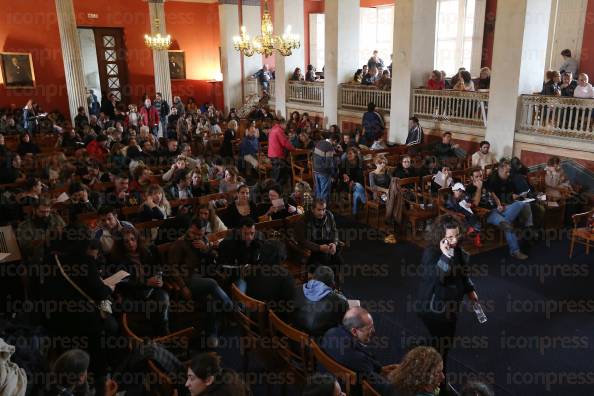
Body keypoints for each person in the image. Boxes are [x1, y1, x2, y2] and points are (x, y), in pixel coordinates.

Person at [416, 215, 478, 375]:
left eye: (457, 235)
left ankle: (435, 372)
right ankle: (436, 378)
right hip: (433, 308)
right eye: (450, 237)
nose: (454, 240)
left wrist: (470, 290)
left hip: (450, 305)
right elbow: (440, 276)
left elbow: (462, 272)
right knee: (442, 345)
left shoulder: (456, 248)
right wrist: (445, 255)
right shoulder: (431, 253)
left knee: (445, 343)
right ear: (440, 236)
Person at [169, 218, 233, 346]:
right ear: (189, 229)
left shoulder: (203, 240)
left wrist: (206, 249)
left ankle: (211, 335)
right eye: (194, 233)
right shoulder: (180, 243)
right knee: (212, 283)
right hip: (188, 279)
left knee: (211, 301)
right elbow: (172, 268)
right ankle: (232, 308)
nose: (196, 237)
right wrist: (183, 287)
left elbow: (214, 257)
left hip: (202, 277)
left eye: (200, 234)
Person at [110, 226, 170, 335]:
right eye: (126, 242)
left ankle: (164, 335)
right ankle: (151, 338)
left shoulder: (148, 251)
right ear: (122, 244)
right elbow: (124, 282)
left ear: (137, 239)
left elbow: (159, 268)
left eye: (133, 239)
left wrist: (160, 278)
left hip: (152, 289)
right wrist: (145, 282)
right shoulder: (118, 259)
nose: (131, 243)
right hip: (133, 293)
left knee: (163, 299)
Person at [321, 308, 393, 394]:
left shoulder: (329, 333)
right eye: (369, 328)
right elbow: (382, 387)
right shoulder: (359, 360)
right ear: (354, 331)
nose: (373, 331)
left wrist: (380, 368)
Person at [465, 167, 529, 259]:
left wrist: (499, 205)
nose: (479, 178)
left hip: (498, 209)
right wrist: (479, 188)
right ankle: (515, 251)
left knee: (520, 203)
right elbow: (475, 203)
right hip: (488, 213)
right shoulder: (469, 188)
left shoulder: (486, 183)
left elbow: (494, 196)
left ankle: (506, 222)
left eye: (480, 176)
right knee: (507, 225)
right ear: (471, 178)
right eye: (476, 176)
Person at [293, 266, 348, 338]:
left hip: (295, 334)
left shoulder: (297, 289)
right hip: (318, 341)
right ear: (332, 283)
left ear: (313, 277)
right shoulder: (340, 301)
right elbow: (342, 321)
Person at [298, 199, 343, 280]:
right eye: (319, 210)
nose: (322, 212)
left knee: (339, 261)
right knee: (322, 263)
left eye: (324, 209)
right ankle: (316, 287)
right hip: (312, 249)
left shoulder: (329, 215)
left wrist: (334, 243)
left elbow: (334, 231)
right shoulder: (304, 219)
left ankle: (333, 286)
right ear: (312, 209)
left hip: (327, 245)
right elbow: (302, 240)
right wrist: (319, 248)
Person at [267, 119, 296, 187]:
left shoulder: (273, 129)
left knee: (277, 173)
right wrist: (293, 149)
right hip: (277, 155)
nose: (286, 127)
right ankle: (275, 190)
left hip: (272, 154)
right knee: (278, 175)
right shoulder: (279, 130)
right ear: (283, 124)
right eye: (286, 125)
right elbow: (285, 143)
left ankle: (276, 189)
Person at [339, 147, 366, 215]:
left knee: (356, 192)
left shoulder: (359, 163)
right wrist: (344, 175)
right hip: (346, 183)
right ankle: (364, 200)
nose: (348, 155)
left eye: (351, 153)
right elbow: (340, 174)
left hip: (357, 183)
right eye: (348, 154)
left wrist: (353, 181)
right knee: (357, 189)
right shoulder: (344, 162)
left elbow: (360, 176)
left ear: (355, 155)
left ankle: (354, 211)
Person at [313, 132, 338, 203]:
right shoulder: (329, 147)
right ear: (335, 141)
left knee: (318, 191)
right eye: (336, 143)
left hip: (315, 170)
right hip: (324, 172)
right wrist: (333, 175)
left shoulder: (320, 142)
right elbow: (329, 164)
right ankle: (324, 211)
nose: (335, 145)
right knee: (325, 193)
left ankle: (317, 209)